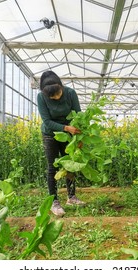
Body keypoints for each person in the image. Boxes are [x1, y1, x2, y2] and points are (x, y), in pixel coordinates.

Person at [37, 70, 85, 216]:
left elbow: (78, 115)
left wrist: (80, 139)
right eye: (52, 96)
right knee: (53, 167)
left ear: (61, 87)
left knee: (70, 164)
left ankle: (71, 197)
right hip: (50, 134)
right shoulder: (41, 97)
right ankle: (54, 202)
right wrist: (65, 128)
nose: (56, 98)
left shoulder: (70, 93)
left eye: (58, 93)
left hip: (70, 135)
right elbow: (47, 121)